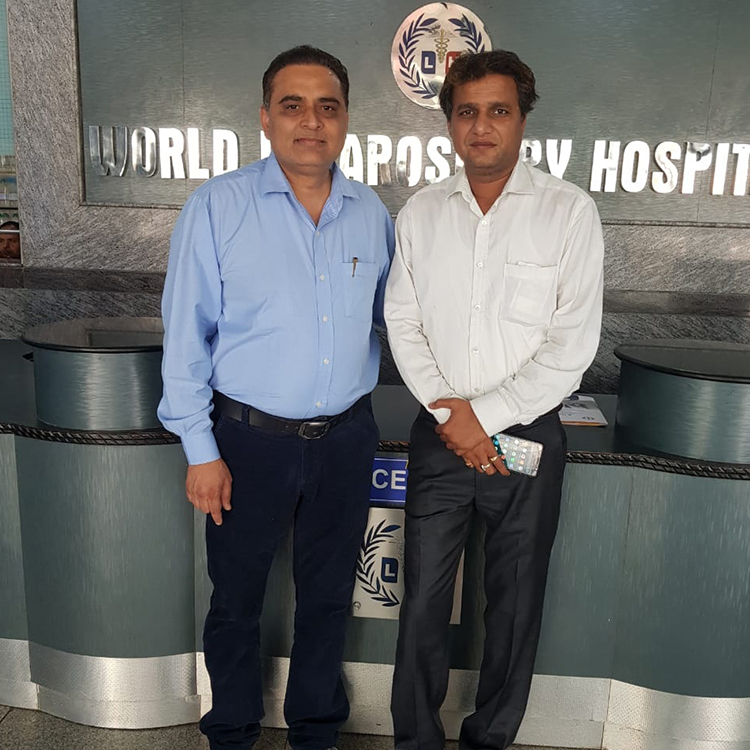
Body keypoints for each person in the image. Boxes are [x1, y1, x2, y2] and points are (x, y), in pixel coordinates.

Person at [158, 45, 394, 750]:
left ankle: (315, 732)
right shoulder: (217, 206)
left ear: (346, 118)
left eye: (327, 106)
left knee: (329, 599)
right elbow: (185, 334)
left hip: (346, 439)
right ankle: (231, 732)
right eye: (293, 106)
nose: (310, 122)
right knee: (236, 602)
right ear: (266, 117)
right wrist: (200, 450)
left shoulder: (370, 213)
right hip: (245, 443)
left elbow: (394, 321)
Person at [385, 50, 603, 750]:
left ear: (523, 119)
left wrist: (485, 418)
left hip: (526, 440)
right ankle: (416, 740)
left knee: (514, 605)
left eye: (498, 111)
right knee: (421, 602)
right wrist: (453, 416)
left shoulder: (568, 213)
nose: (482, 126)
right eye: (467, 112)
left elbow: (572, 344)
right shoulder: (422, 213)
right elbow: (403, 323)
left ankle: (490, 739)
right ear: (450, 123)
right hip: (441, 437)